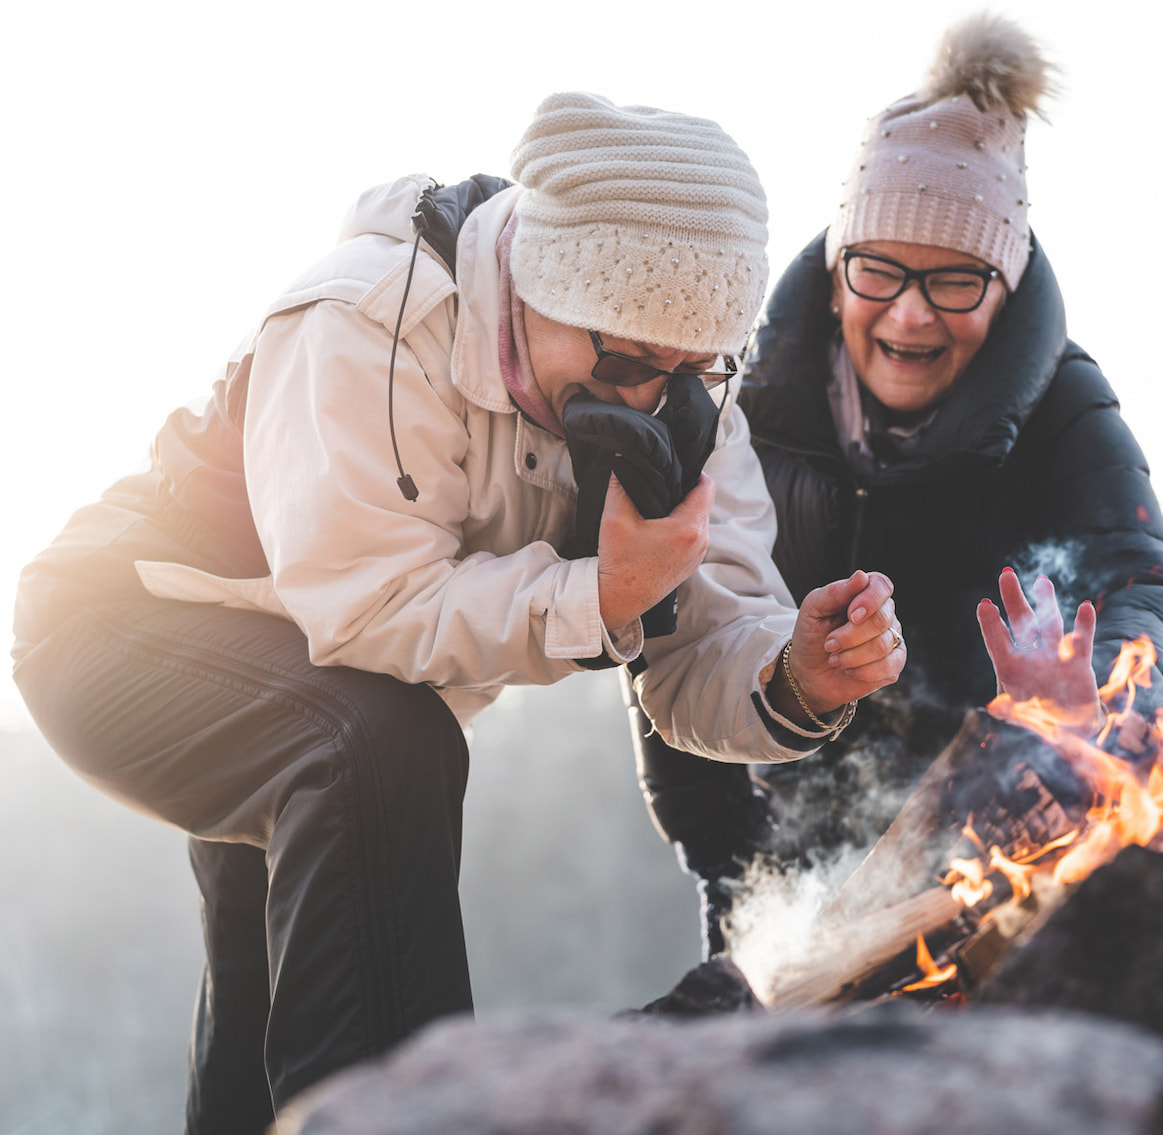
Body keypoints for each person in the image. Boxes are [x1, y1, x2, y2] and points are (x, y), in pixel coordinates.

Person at [9, 93, 904, 1131]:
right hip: (115, 627)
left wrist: (793, 670)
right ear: (539, 281)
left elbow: (699, 651)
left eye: (687, 369)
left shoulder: (681, 392)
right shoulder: (363, 318)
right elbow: (364, 611)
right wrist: (597, 595)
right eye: (620, 364)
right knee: (379, 747)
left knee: (273, 1000)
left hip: (301, 685)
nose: (649, 400)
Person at [641, 14, 1163, 949]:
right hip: (786, 866)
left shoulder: (1064, 403)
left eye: (955, 282)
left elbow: (1148, 587)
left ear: (1006, 286)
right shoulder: (737, 405)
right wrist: (731, 871)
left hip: (995, 851)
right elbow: (672, 627)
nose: (909, 314)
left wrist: (1099, 693)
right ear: (832, 272)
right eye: (880, 271)